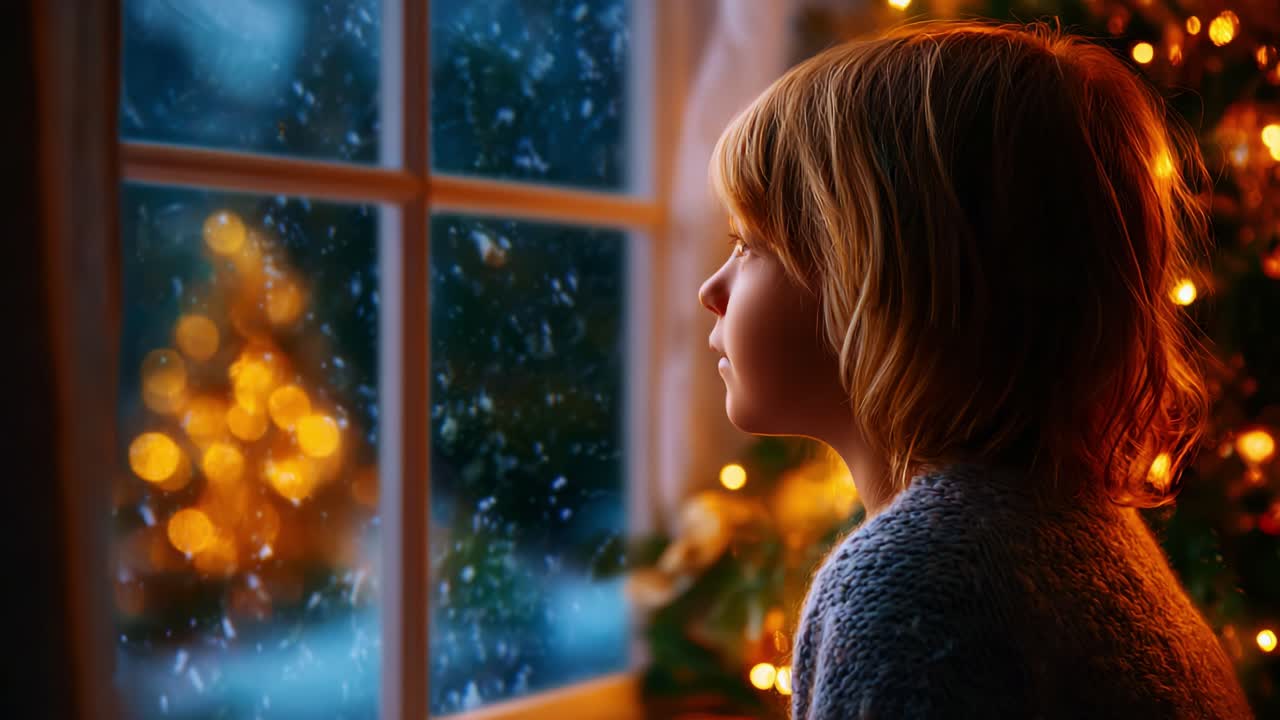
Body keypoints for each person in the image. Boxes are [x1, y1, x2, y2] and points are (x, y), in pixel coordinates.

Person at [697, 18, 1254, 719]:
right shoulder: (1077, 540)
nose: (710, 291)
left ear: (891, 277)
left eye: (749, 245)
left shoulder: (916, 586)